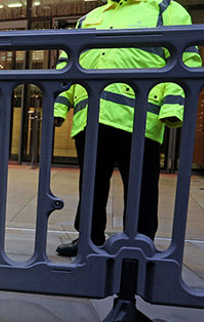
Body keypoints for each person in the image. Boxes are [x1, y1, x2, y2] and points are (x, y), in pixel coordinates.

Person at [53, 0, 202, 257]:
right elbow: (67, 66)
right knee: (90, 186)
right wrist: (59, 106)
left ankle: (139, 243)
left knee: (141, 187)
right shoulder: (89, 17)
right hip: (90, 117)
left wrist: (173, 108)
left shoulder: (166, 10)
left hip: (140, 119)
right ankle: (89, 239)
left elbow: (186, 61)